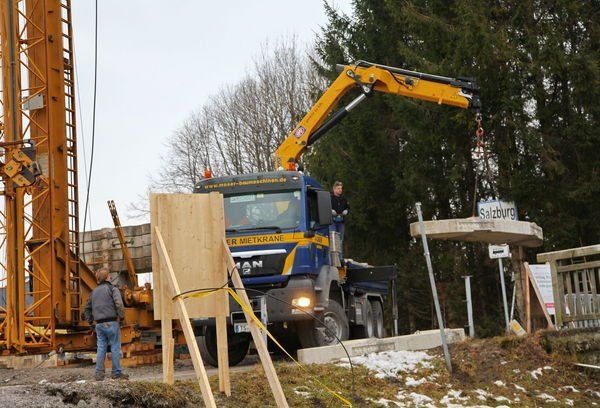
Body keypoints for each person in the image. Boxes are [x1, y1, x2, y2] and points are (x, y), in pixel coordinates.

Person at [83, 268, 128, 381]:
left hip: (99, 325)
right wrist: (121, 317)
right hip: (111, 322)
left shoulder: (93, 292)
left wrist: (90, 322)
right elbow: (119, 304)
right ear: (108, 277)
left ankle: (99, 374)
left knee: (101, 348)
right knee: (115, 347)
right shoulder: (112, 289)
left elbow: (87, 309)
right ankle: (116, 373)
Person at [330, 180, 349, 246]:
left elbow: (347, 207)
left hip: (341, 222)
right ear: (334, 189)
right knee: (333, 240)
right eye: (338, 188)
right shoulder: (330, 198)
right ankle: (332, 256)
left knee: (340, 241)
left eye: (341, 188)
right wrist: (330, 210)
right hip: (332, 222)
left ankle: (339, 256)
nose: (340, 190)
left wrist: (347, 211)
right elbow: (325, 208)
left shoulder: (344, 199)